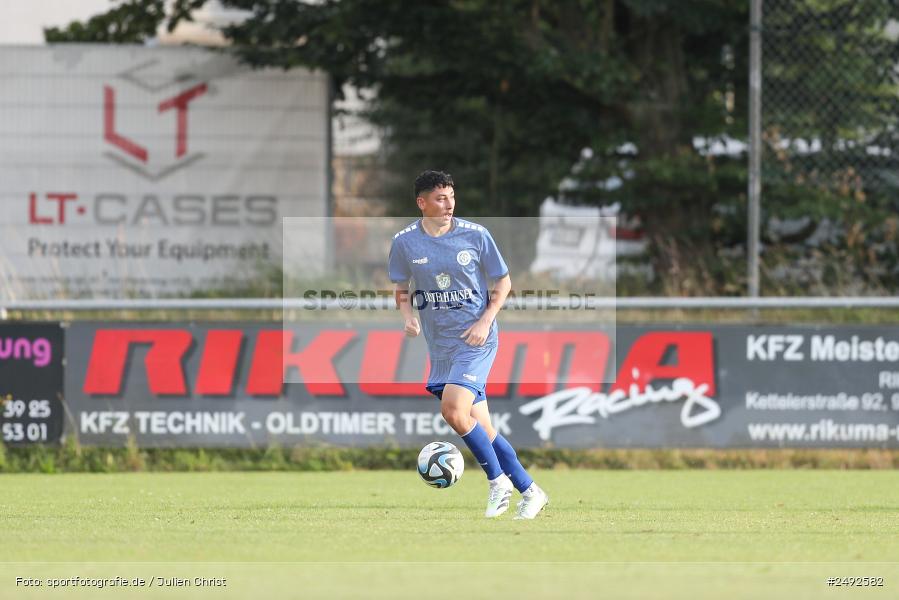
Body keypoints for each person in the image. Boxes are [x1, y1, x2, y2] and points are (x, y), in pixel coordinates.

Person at [387, 170, 549, 519]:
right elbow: (401, 286)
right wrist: (407, 315)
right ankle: (531, 491)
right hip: (441, 346)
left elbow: (503, 283)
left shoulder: (476, 235)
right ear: (422, 203)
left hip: (476, 339)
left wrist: (485, 319)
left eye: (452, 196)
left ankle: (497, 482)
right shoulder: (404, 242)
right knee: (484, 429)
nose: (449, 204)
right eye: (440, 198)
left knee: (453, 411)